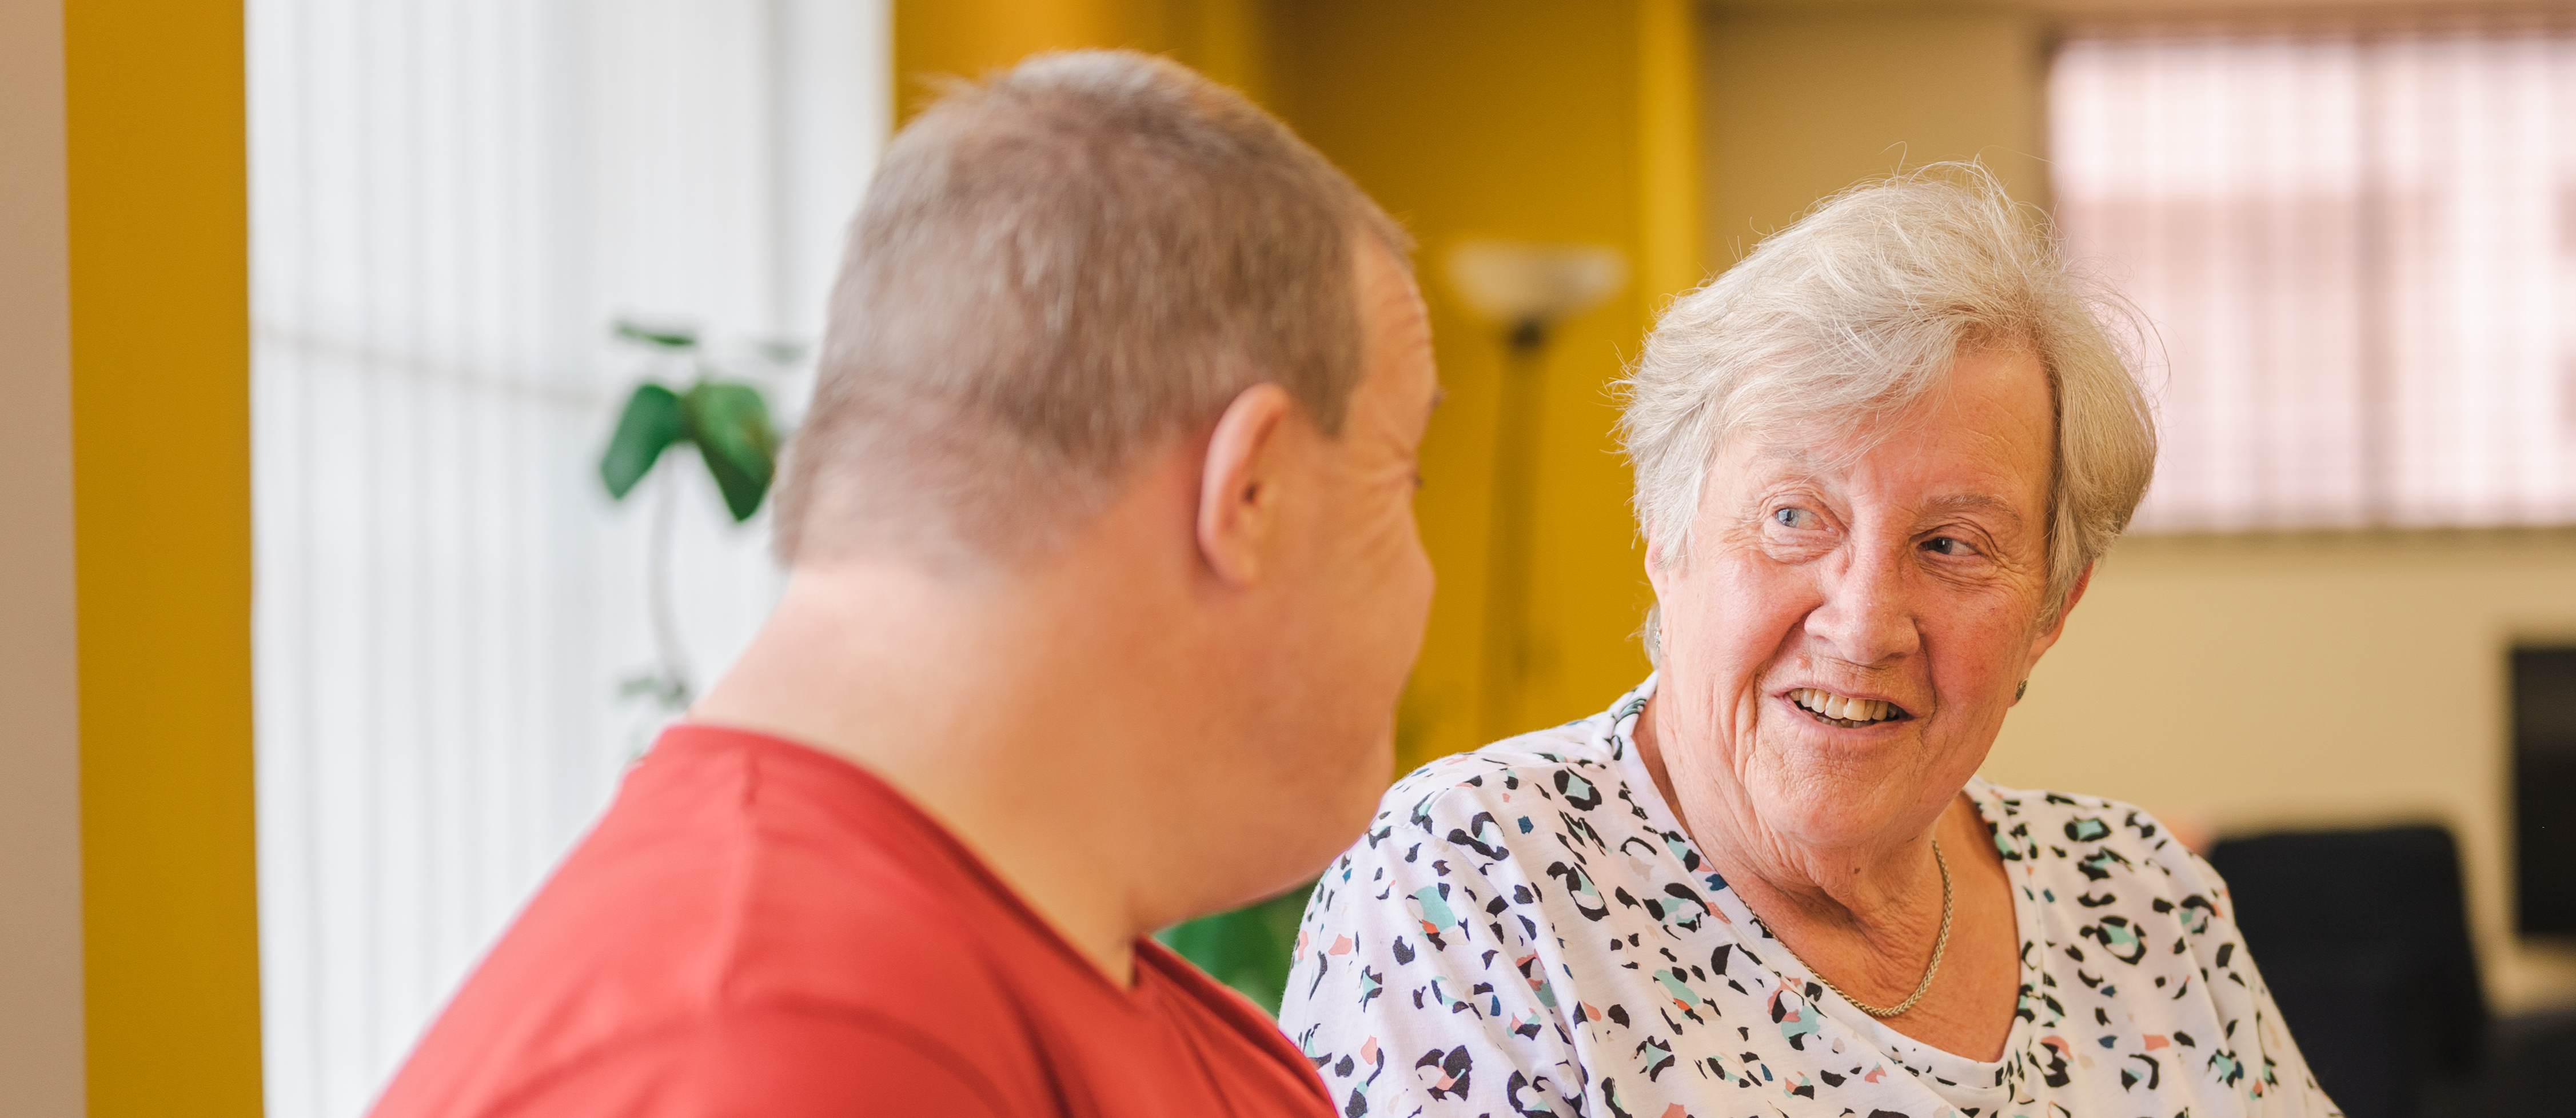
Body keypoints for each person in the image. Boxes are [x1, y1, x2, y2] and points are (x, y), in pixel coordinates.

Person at [375, 50, 1434, 1117]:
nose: (1425, 585)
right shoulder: (783, 1049)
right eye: (1402, 479)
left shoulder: (1132, 1018)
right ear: (1249, 490)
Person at [1279, 167, 2338, 1118]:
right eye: (1794, 517)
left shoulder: (2140, 897)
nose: (1864, 621)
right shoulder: (1466, 880)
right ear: (1665, 535)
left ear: (2051, 612)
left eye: (1951, 543)